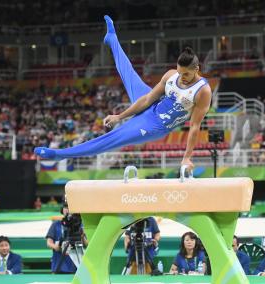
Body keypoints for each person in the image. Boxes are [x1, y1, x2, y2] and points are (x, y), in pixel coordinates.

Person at [34, 15, 212, 171]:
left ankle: (61, 154)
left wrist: (187, 157)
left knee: (113, 138)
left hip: (156, 126)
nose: (182, 77)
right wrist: (119, 116)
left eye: (187, 74)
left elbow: (194, 127)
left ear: (197, 69)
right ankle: (112, 38)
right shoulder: (171, 75)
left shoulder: (202, 91)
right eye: (180, 73)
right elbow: (149, 98)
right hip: (152, 106)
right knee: (130, 75)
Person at [46, 204, 78, 274]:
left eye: (70, 207)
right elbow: (49, 242)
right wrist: (55, 247)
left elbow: (86, 242)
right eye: (65, 207)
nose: (67, 210)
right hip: (58, 265)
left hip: (74, 266)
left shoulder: (78, 225)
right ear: (62, 210)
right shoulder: (55, 224)